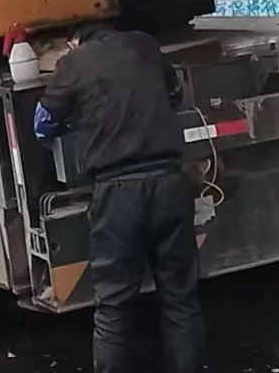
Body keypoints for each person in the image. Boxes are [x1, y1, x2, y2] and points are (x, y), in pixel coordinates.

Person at [35, 21, 204, 373]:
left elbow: (42, 124)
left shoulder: (74, 61)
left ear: (74, 41)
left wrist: (77, 122)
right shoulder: (145, 43)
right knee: (181, 299)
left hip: (118, 194)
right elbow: (175, 95)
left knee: (114, 305)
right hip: (170, 183)